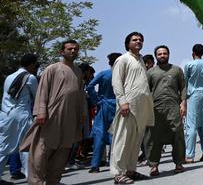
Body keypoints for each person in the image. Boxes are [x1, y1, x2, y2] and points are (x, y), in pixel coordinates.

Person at [20, 40, 87, 185]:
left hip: (70, 118)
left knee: (62, 152)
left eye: (76, 49)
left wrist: (82, 113)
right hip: (51, 116)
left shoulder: (78, 71)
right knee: (41, 152)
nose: (73, 51)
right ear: (61, 52)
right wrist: (41, 112)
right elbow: (42, 91)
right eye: (69, 49)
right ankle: (35, 182)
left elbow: (81, 94)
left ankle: (53, 181)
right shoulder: (52, 69)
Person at [110, 32, 154, 184]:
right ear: (127, 43)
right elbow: (116, 82)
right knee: (122, 139)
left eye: (141, 39)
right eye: (135, 40)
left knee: (135, 140)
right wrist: (123, 102)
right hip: (127, 105)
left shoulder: (141, 59)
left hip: (141, 106)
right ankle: (118, 173)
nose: (138, 41)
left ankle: (130, 170)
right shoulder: (122, 59)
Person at [144, 45, 186, 176]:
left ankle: (179, 163)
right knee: (153, 137)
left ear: (169, 54)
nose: (162, 56)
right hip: (155, 108)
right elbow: (145, 90)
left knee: (177, 133)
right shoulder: (150, 72)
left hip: (174, 106)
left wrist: (184, 103)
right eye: (160, 54)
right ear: (156, 56)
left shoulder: (177, 70)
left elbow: (183, 87)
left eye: (165, 53)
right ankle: (153, 165)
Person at [0, 54, 39, 181]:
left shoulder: (9, 77)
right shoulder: (30, 77)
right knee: (28, 146)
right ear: (32, 64)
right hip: (22, 115)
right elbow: (38, 96)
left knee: (4, 146)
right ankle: (31, 177)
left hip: (5, 114)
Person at [86, 53, 121, 173]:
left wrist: (96, 100)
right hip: (119, 105)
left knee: (99, 133)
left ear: (109, 62)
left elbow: (90, 86)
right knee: (117, 134)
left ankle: (95, 165)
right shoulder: (123, 75)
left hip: (103, 106)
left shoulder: (103, 74)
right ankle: (114, 162)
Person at [183, 43, 203, 163]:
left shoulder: (189, 65)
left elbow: (185, 83)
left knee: (191, 125)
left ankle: (189, 155)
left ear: (193, 53)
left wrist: (183, 100)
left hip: (193, 95)